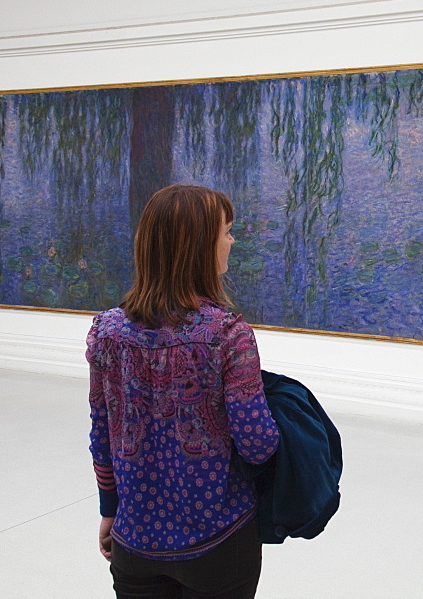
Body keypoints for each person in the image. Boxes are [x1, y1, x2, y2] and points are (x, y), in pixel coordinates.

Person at [88, 184, 279, 598]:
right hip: (219, 541)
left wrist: (109, 511)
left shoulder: (106, 331)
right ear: (199, 247)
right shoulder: (227, 333)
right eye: (226, 232)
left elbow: (102, 434)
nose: (232, 241)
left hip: (134, 540)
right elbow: (258, 444)